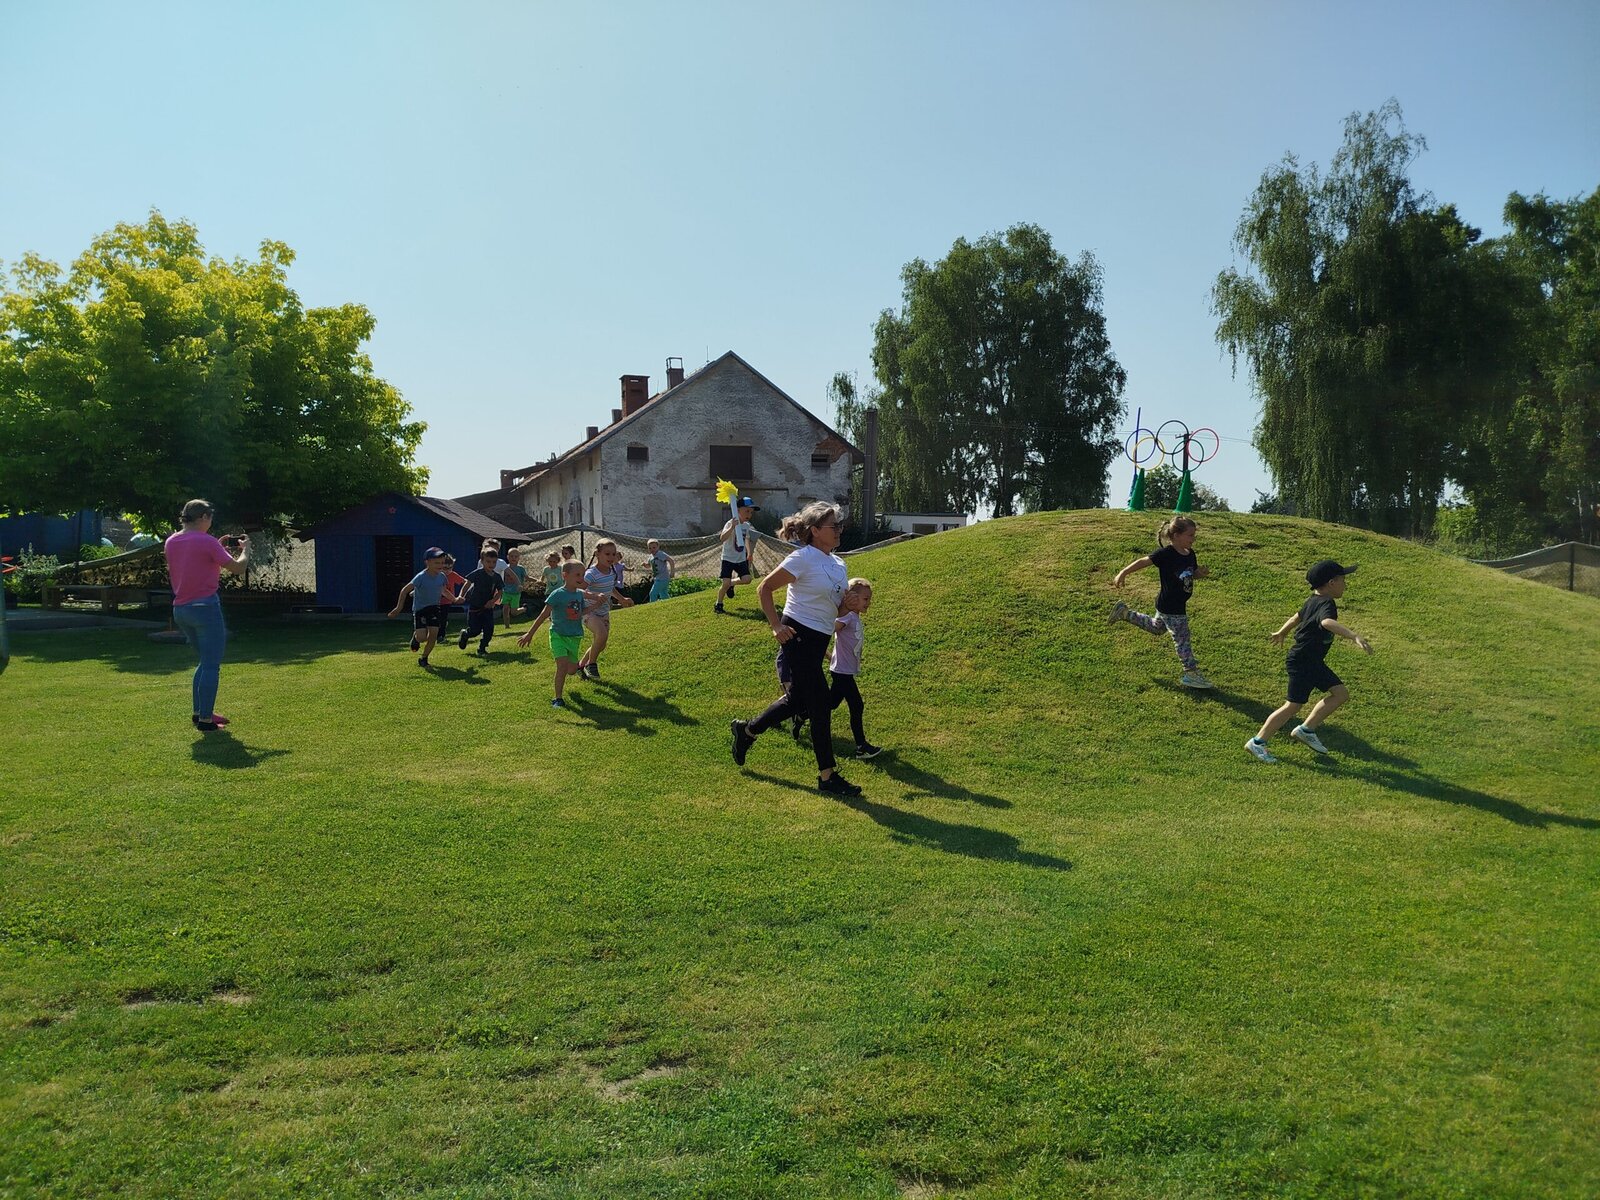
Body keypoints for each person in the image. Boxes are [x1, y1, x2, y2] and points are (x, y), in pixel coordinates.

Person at [730, 502, 861, 796]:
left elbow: (835, 608)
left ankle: (747, 730)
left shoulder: (839, 564)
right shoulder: (802, 558)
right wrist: (776, 625)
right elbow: (764, 588)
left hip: (819, 639)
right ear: (815, 531)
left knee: (797, 700)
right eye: (833, 526)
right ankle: (827, 776)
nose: (839, 530)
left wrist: (847, 605)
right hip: (797, 635)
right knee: (820, 703)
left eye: (839, 525)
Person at [1246, 560, 1374, 763]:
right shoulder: (1326, 603)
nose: (1345, 584)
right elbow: (1326, 622)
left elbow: (1295, 617)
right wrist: (1353, 636)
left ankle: (1306, 730)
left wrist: (1282, 632)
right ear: (1332, 582)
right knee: (1292, 706)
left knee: (1340, 694)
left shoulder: (1312, 600)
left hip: (1310, 661)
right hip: (1304, 661)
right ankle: (1257, 742)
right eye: (1343, 580)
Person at [163, 499, 249, 732]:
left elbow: (195, 563)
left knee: (205, 662)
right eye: (210, 517)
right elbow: (238, 568)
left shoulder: (172, 541)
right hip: (205, 609)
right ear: (203, 517)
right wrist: (246, 551)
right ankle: (206, 721)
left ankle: (201, 712)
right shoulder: (207, 541)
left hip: (181, 610)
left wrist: (217, 547)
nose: (211, 521)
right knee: (211, 665)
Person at [1108, 516, 1213, 688]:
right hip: (1171, 605)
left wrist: (1199, 574)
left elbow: (1190, 574)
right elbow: (1143, 561)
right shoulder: (1166, 554)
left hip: (1172, 604)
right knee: (1182, 638)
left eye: (1194, 535)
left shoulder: (1190, 554)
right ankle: (1191, 673)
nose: (1193, 538)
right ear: (1176, 535)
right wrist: (1123, 572)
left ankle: (1124, 613)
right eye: (1190, 535)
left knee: (1156, 628)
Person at [517, 559, 603, 707]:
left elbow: (581, 612)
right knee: (562, 667)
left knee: (571, 670)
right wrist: (529, 634)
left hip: (574, 636)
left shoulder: (579, 594)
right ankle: (558, 698)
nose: (581, 578)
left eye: (582, 575)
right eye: (577, 575)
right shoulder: (557, 594)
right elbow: (543, 615)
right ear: (565, 575)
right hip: (558, 635)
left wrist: (596, 605)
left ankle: (576, 669)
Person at [829, 579, 882, 758]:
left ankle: (800, 713)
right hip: (841, 671)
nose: (869, 603)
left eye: (869, 599)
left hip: (844, 670)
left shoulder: (854, 617)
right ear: (852, 598)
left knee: (830, 703)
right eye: (865, 599)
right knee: (857, 705)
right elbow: (832, 628)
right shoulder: (848, 617)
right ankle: (861, 747)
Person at [577, 538, 634, 680]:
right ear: (597, 554)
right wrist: (594, 596)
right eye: (607, 554)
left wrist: (622, 599)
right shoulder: (591, 573)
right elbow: (578, 590)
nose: (611, 557)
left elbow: (610, 588)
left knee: (601, 644)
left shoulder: (611, 571)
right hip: (589, 611)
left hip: (603, 612)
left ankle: (581, 666)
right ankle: (591, 664)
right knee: (601, 635)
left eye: (613, 554)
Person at [388, 546, 452, 667]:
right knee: (422, 637)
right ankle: (416, 638)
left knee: (433, 635)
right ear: (427, 562)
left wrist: (455, 599)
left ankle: (424, 658)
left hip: (434, 608)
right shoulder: (421, 577)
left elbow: (444, 590)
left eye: (442, 563)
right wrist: (398, 608)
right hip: (420, 610)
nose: (440, 565)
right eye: (437, 563)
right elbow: (405, 590)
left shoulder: (442, 577)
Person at [455, 546, 504, 656]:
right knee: (475, 630)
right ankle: (465, 634)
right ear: (482, 561)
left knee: (489, 629)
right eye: (488, 561)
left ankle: (482, 648)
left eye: (494, 562)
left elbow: (500, 591)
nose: (491, 564)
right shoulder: (478, 573)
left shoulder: (496, 577)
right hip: (475, 606)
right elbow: (467, 583)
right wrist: (461, 596)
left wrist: (492, 601)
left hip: (488, 608)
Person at [713, 497, 758, 614]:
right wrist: (732, 527)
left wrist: (749, 553)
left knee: (747, 579)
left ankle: (732, 584)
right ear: (738, 510)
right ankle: (718, 603)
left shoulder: (746, 526)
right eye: (746, 511)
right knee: (725, 583)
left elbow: (746, 539)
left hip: (740, 558)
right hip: (728, 558)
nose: (749, 514)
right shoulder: (730, 523)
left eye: (751, 512)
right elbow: (722, 538)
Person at [500, 547, 526, 627]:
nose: (513, 558)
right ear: (508, 557)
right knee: (505, 609)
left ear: (519, 558)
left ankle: (525, 609)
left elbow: (526, 577)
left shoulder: (521, 569)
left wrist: (537, 580)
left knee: (513, 612)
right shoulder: (505, 568)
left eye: (516, 556)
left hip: (516, 593)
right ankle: (507, 626)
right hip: (506, 592)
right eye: (511, 556)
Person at [646, 538, 675, 602]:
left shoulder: (660, 554)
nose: (652, 549)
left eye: (654, 547)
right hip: (658, 579)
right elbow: (649, 565)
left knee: (652, 594)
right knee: (663, 594)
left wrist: (672, 572)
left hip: (663, 578)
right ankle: (669, 603)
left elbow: (671, 561)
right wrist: (645, 565)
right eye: (650, 548)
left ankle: (652, 606)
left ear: (658, 547)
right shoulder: (651, 557)